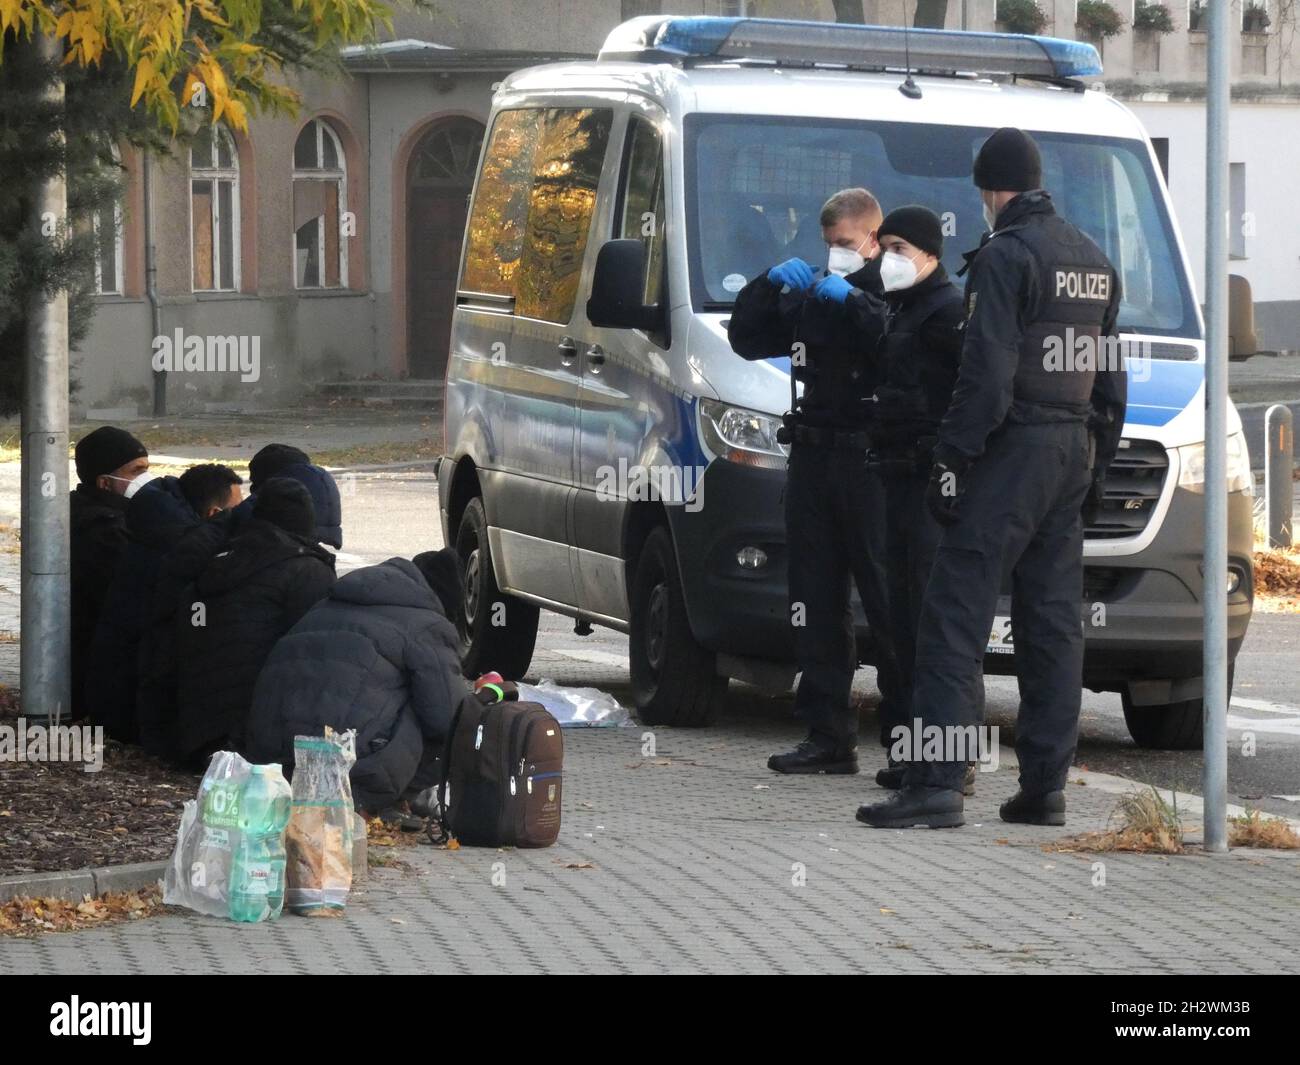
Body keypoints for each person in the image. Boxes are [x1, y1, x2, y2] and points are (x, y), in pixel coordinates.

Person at [858, 129, 1126, 829]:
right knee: (1050, 621)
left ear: (990, 189)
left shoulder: (1007, 257)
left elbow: (988, 376)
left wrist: (951, 457)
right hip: (1070, 450)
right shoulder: (1093, 260)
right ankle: (1044, 787)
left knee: (953, 612)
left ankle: (938, 783)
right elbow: (1112, 377)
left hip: (1013, 451)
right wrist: (1097, 459)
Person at [727, 187, 902, 775]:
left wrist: (851, 297)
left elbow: (896, 348)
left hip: (872, 465)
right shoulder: (814, 295)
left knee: (888, 601)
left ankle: (909, 744)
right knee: (815, 601)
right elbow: (747, 338)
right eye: (829, 246)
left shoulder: (894, 291)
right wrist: (767, 283)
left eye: (846, 246)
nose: (835, 256)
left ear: (873, 240)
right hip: (813, 461)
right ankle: (827, 735)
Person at [860, 207, 968, 790]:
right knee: (903, 625)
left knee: (936, 625)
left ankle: (953, 759)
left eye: (898, 247)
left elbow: (966, 397)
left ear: (928, 252)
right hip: (898, 477)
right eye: (885, 247)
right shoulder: (904, 309)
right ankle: (914, 753)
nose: (888, 258)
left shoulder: (948, 312)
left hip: (931, 482)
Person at [246, 549, 466, 817]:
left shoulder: (328, 604)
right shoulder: (428, 625)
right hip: (350, 773)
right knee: (446, 714)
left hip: (269, 762)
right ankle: (381, 798)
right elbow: (448, 719)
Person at [167, 479, 337, 767]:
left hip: (197, 730)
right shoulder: (307, 571)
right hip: (253, 739)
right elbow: (317, 657)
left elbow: (194, 625)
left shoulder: (218, 559)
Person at [85, 464, 242, 741]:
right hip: (132, 712)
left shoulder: (158, 531)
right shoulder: (184, 552)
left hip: (114, 699)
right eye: (236, 511)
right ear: (214, 515)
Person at [69, 427, 149, 717]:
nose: (145, 480)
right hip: (96, 667)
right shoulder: (103, 529)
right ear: (104, 482)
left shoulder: (84, 512)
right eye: (136, 471)